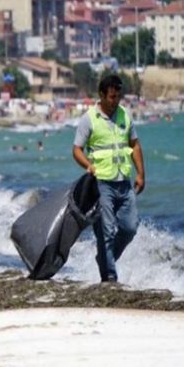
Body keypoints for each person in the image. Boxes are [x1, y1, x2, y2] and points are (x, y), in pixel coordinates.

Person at [72, 75, 145, 283]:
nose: (116, 101)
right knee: (107, 231)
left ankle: (104, 259)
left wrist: (140, 173)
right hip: (101, 183)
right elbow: (76, 149)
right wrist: (88, 165)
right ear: (102, 95)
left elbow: (135, 145)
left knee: (130, 228)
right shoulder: (89, 119)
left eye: (118, 96)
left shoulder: (125, 115)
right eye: (112, 97)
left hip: (124, 181)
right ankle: (110, 276)